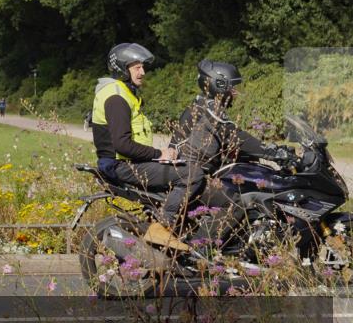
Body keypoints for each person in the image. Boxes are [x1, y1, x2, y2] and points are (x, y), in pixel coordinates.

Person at [172, 60, 295, 241]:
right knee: (237, 202)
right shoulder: (210, 109)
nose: (235, 92)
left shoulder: (202, 105)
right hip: (191, 176)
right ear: (218, 85)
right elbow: (235, 135)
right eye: (232, 87)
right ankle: (201, 249)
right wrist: (275, 153)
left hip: (189, 173)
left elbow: (224, 142)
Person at [92, 43, 202, 243]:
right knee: (192, 174)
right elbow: (122, 145)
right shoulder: (116, 97)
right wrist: (159, 154)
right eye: (136, 67)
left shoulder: (124, 92)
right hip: (122, 165)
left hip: (129, 162)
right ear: (122, 69)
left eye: (142, 67)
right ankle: (162, 225)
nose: (142, 72)